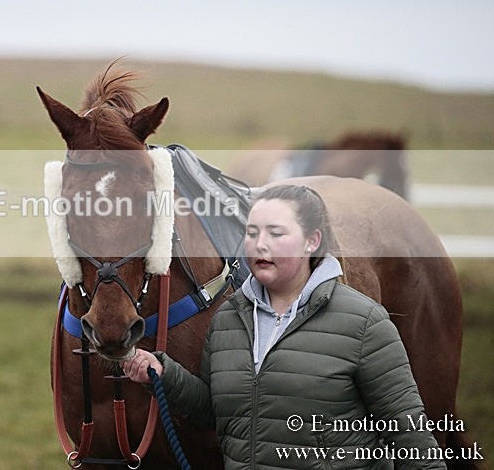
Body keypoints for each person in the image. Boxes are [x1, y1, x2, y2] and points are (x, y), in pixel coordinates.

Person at [121, 184, 445, 469]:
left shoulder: (364, 322)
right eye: (251, 233)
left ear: (311, 242)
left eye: (276, 234)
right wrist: (162, 373)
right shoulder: (228, 320)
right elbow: (218, 413)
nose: (261, 245)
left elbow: (410, 435)